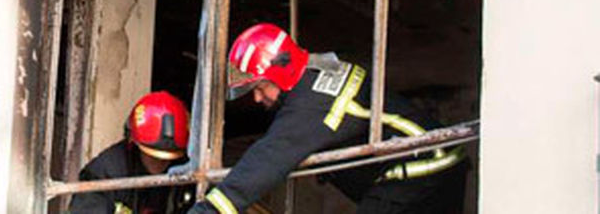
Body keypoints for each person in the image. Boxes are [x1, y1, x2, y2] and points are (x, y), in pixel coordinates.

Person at [187, 23, 467, 214]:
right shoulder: (318, 71)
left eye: (259, 88)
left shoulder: (309, 105)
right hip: (440, 159)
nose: (257, 99)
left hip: (425, 165)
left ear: (280, 74)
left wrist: (208, 210)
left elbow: (266, 160)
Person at [70, 90, 196, 214]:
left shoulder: (186, 172)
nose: (161, 162)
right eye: (153, 156)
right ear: (134, 144)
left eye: (169, 157)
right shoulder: (103, 174)